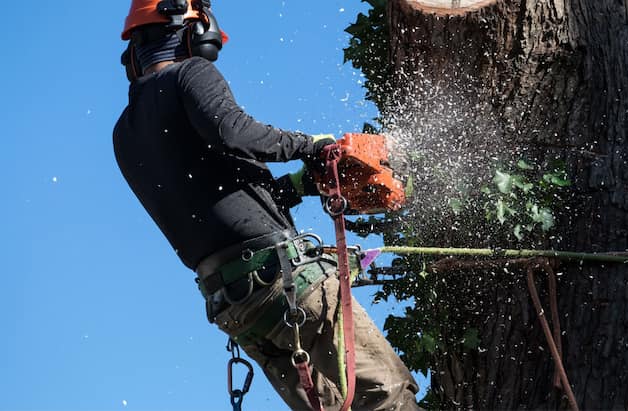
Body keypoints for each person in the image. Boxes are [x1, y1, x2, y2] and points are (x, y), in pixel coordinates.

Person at [113, 1, 420, 409]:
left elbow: (218, 201)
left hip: (241, 310)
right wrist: (311, 145)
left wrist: (298, 186)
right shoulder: (191, 73)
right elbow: (233, 131)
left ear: (134, 52)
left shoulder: (125, 132)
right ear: (192, 33)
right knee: (389, 396)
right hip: (285, 283)